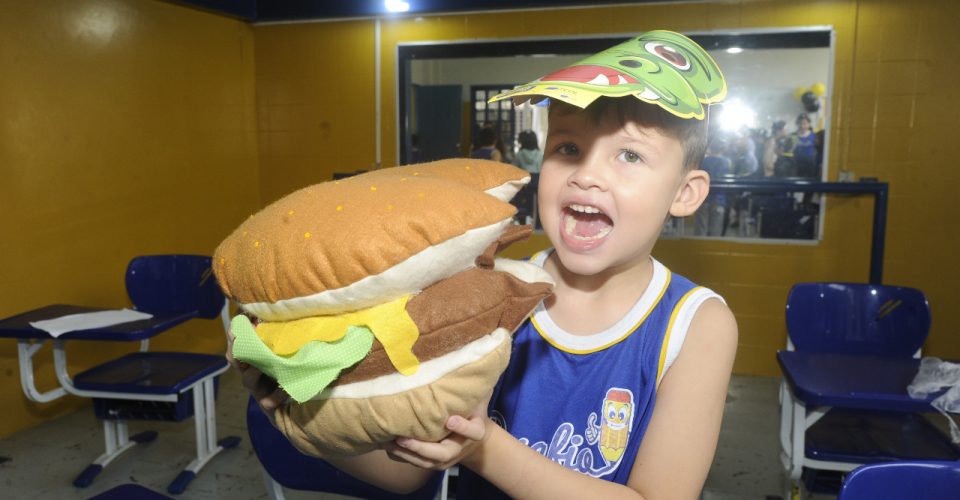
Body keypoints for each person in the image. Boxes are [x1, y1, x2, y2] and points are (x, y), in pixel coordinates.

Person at [234, 30, 738, 500]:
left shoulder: (697, 325)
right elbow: (409, 472)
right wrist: (299, 412)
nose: (587, 175)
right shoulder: (485, 292)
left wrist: (484, 450)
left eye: (629, 156)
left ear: (685, 192)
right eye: (568, 147)